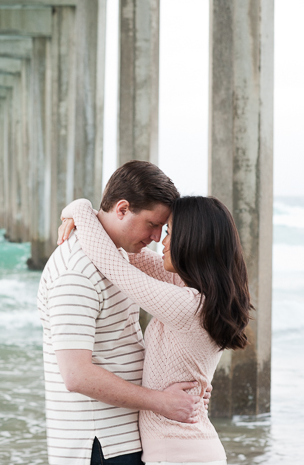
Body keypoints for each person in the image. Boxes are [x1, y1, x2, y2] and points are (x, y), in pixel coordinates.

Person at [37, 161, 209, 465]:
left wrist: (192, 386)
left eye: (163, 228)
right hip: (99, 442)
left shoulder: (119, 254)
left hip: (124, 437)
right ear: (122, 209)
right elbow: (77, 375)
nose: (158, 237)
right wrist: (162, 402)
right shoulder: (76, 272)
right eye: (153, 224)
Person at [58, 194, 251, 465]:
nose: (162, 240)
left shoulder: (187, 305)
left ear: (193, 242)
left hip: (178, 455)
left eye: (170, 232)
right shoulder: (191, 290)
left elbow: (113, 265)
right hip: (189, 449)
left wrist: (79, 208)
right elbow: (125, 252)